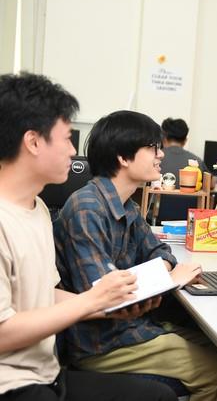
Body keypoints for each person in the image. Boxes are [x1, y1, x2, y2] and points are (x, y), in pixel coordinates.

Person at [0, 73, 175, 401]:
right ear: (33, 142)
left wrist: (111, 304)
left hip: (48, 373)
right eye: (67, 139)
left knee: (158, 396)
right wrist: (94, 300)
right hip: (11, 385)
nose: (73, 151)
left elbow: (45, 295)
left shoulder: (38, 209)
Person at [54, 110, 217, 401]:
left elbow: (161, 252)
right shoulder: (87, 208)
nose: (161, 154)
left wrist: (164, 271)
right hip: (101, 342)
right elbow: (105, 295)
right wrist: (167, 278)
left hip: (132, 326)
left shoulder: (127, 206)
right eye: (153, 147)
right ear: (123, 158)